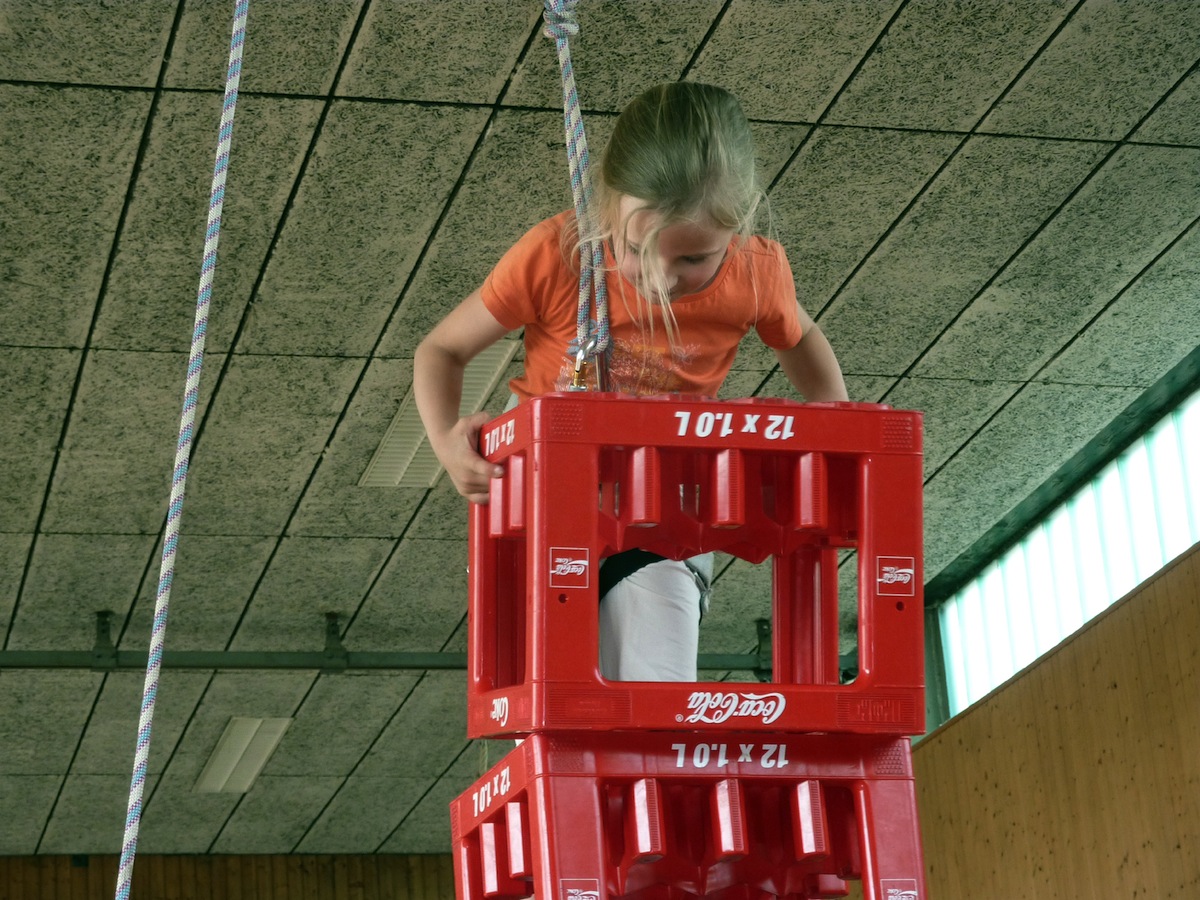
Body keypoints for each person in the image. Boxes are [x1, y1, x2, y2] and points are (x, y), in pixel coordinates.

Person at [414, 81, 848, 682]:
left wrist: (835, 429)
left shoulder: (755, 273)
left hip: (663, 508)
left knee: (657, 693)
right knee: (550, 694)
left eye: (693, 259)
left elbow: (800, 338)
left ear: (739, 227)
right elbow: (441, 349)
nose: (661, 280)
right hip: (547, 501)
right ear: (607, 209)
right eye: (637, 248)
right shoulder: (560, 256)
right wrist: (444, 441)